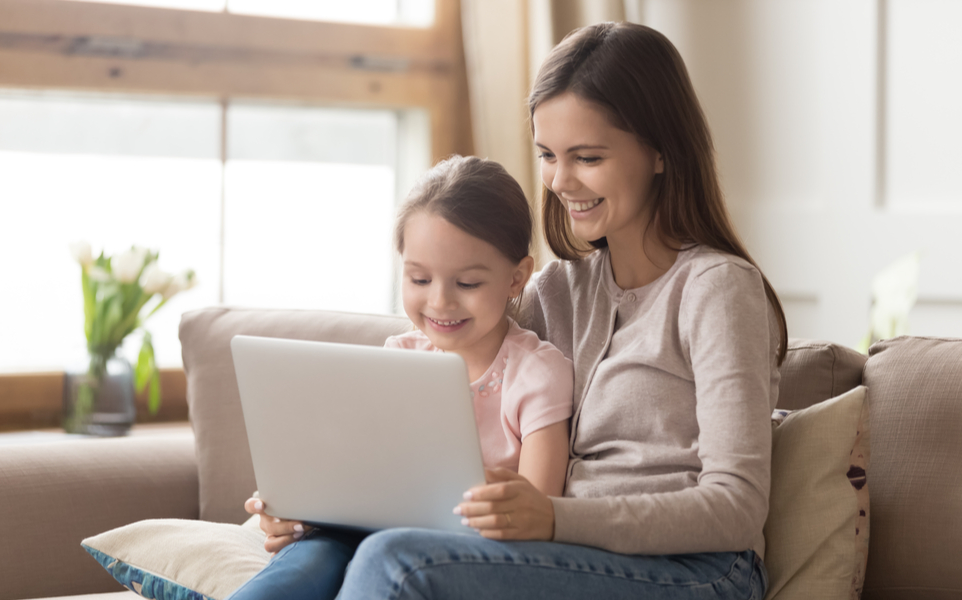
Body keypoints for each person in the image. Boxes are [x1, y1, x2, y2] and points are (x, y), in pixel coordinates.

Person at [328, 21, 788, 599]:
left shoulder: (718, 290)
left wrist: (553, 518)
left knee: (399, 564)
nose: (560, 181)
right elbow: (451, 381)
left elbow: (736, 508)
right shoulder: (554, 292)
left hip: (698, 570)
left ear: (662, 153)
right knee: (328, 548)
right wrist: (318, 507)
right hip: (564, 557)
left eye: (587, 157)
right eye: (547, 155)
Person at [227, 155, 574, 600]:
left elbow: (539, 512)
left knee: (363, 555)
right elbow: (357, 475)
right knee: (313, 555)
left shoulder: (536, 373)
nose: (440, 301)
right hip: (369, 535)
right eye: (419, 278)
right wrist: (298, 508)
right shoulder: (400, 357)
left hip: (458, 558)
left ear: (516, 278)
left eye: (467, 283)